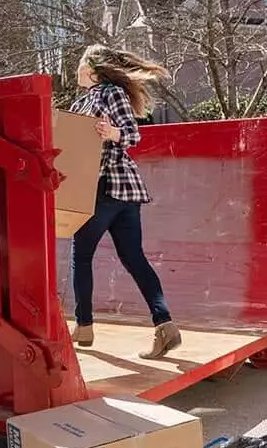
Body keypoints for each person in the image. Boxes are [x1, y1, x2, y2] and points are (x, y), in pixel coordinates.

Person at [66, 44, 182, 360]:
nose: (76, 69)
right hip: (124, 192)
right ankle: (165, 326)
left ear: (91, 69)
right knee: (134, 258)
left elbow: (132, 135)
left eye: (80, 64)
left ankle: (84, 325)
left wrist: (112, 132)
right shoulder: (80, 102)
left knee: (81, 256)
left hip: (104, 188)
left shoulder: (110, 93)